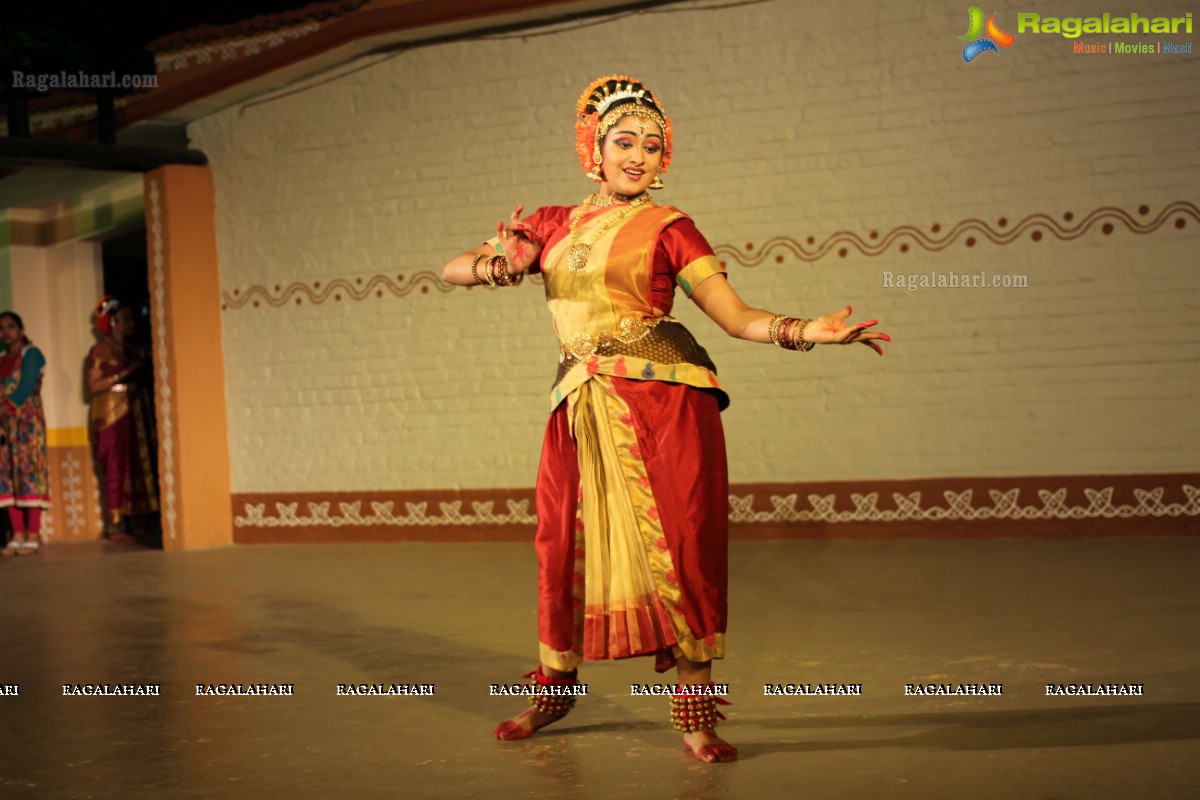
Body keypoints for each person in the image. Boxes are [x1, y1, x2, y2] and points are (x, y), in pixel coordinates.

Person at [441, 75, 890, 764]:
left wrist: (809, 332)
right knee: (563, 546)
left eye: (652, 145)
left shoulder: (670, 227)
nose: (640, 156)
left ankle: (694, 716)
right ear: (593, 149)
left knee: (682, 549)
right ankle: (555, 687)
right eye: (625, 141)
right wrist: (495, 262)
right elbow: (455, 270)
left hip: (667, 405)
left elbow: (737, 319)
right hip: (581, 407)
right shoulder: (553, 223)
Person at [87, 296, 159, 543]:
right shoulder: (100, 350)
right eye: (126, 319)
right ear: (114, 322)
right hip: (110, 414)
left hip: (134, 410)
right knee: (115, 465)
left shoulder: (133, 349)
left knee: (137, 463)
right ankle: (115, 524)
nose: (131, 323)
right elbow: (94, 385)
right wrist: (123, 373)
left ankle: (138, 520)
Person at [0, 311, 51, 556]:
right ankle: (17, 534)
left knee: (29, 472)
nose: (6, 332)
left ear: (21, 329)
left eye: (10, 326)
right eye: (1, 328)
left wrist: (5, 407)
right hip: (4, 426)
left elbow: (25, 387)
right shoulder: (1, 359)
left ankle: (34, 534)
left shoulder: (32, 354)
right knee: (7, 475)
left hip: (27, 424)